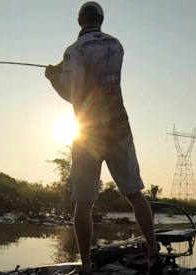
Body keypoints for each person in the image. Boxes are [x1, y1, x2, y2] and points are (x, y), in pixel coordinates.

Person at [44, 2, 162, 275]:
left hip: (89, 132)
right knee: (135, 194)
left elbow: (72, 94)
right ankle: (154, 253)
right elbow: (98, 69)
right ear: (101, 19)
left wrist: (53, 77)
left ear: (79, 21)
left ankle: (85, 267)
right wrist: (65, 67)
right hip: (120, 125)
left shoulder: (73, 51)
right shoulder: (117, 45)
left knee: (84, 203)